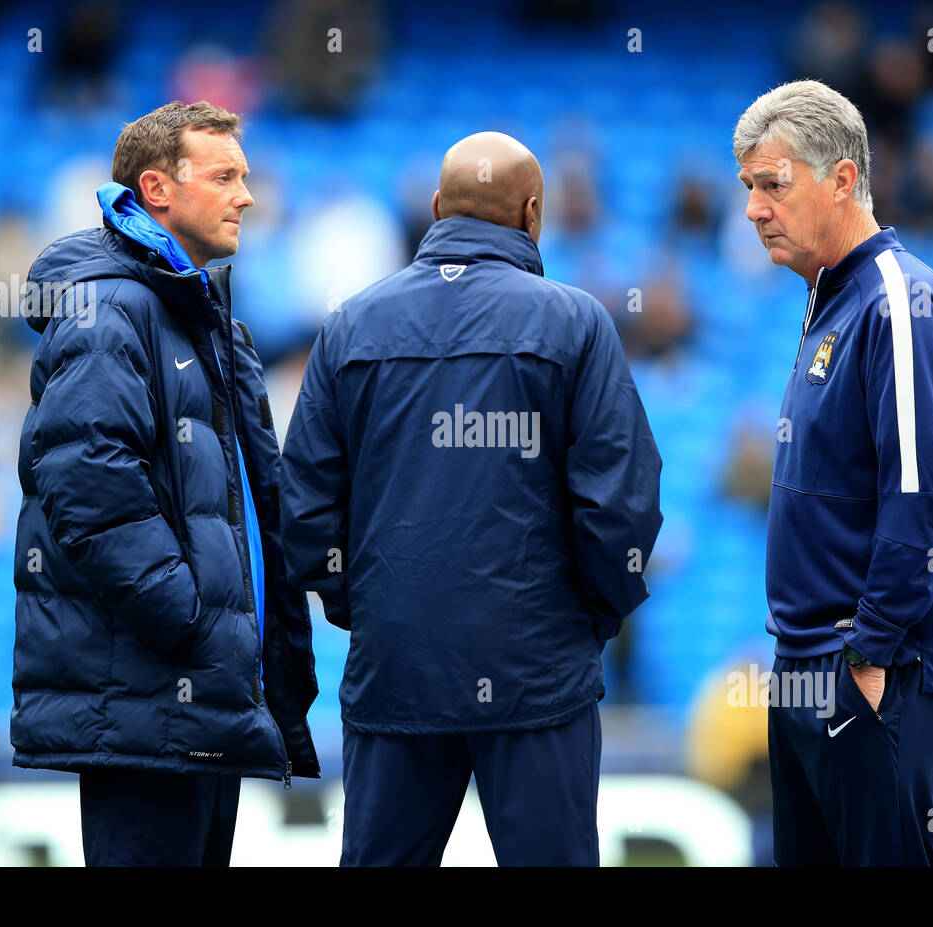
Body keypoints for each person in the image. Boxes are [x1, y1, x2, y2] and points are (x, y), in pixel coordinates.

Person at [279, 131, 662, 866]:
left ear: (434, 210)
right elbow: (622, 505)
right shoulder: (575, 321)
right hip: (538, 677)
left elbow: (302, 506)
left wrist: (369, 607)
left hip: (397, 669)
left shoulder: (350, 324)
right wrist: (588, 621)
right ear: (532, 213)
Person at [12, 101, 319, 867]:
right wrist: (183, 614)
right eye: (225, 177)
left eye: (245, 177)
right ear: (156, 188)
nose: (247, 196)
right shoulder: (112, 306)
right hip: (154, 692)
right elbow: (83, 472)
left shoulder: (193, 310)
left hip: (196, 695)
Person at [734, 80, 933, 865]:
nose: (753, 210)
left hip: (872, 672)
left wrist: (869, 654)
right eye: (748, 188)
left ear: (842, 179)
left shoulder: (898, 303)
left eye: (772, 185)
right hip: (806, 665)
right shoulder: (831, 302)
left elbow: (921, 497)